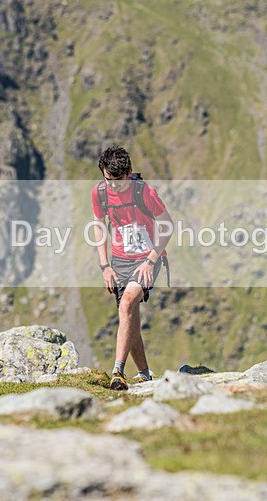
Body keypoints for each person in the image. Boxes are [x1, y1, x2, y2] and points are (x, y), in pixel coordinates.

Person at [91, 145, 173, 391]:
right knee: (130, 317)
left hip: (148, 257)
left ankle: (117, 371)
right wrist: (105, 265)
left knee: (126, 304)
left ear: (128, 173)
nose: (114, 186)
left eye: (118, 181)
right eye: (108, 180)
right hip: (119, 262)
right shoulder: (100, 193)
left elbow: (167, 225)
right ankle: (144, 373)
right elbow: (98, 223)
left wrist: (151, 260)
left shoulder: (145, 192)